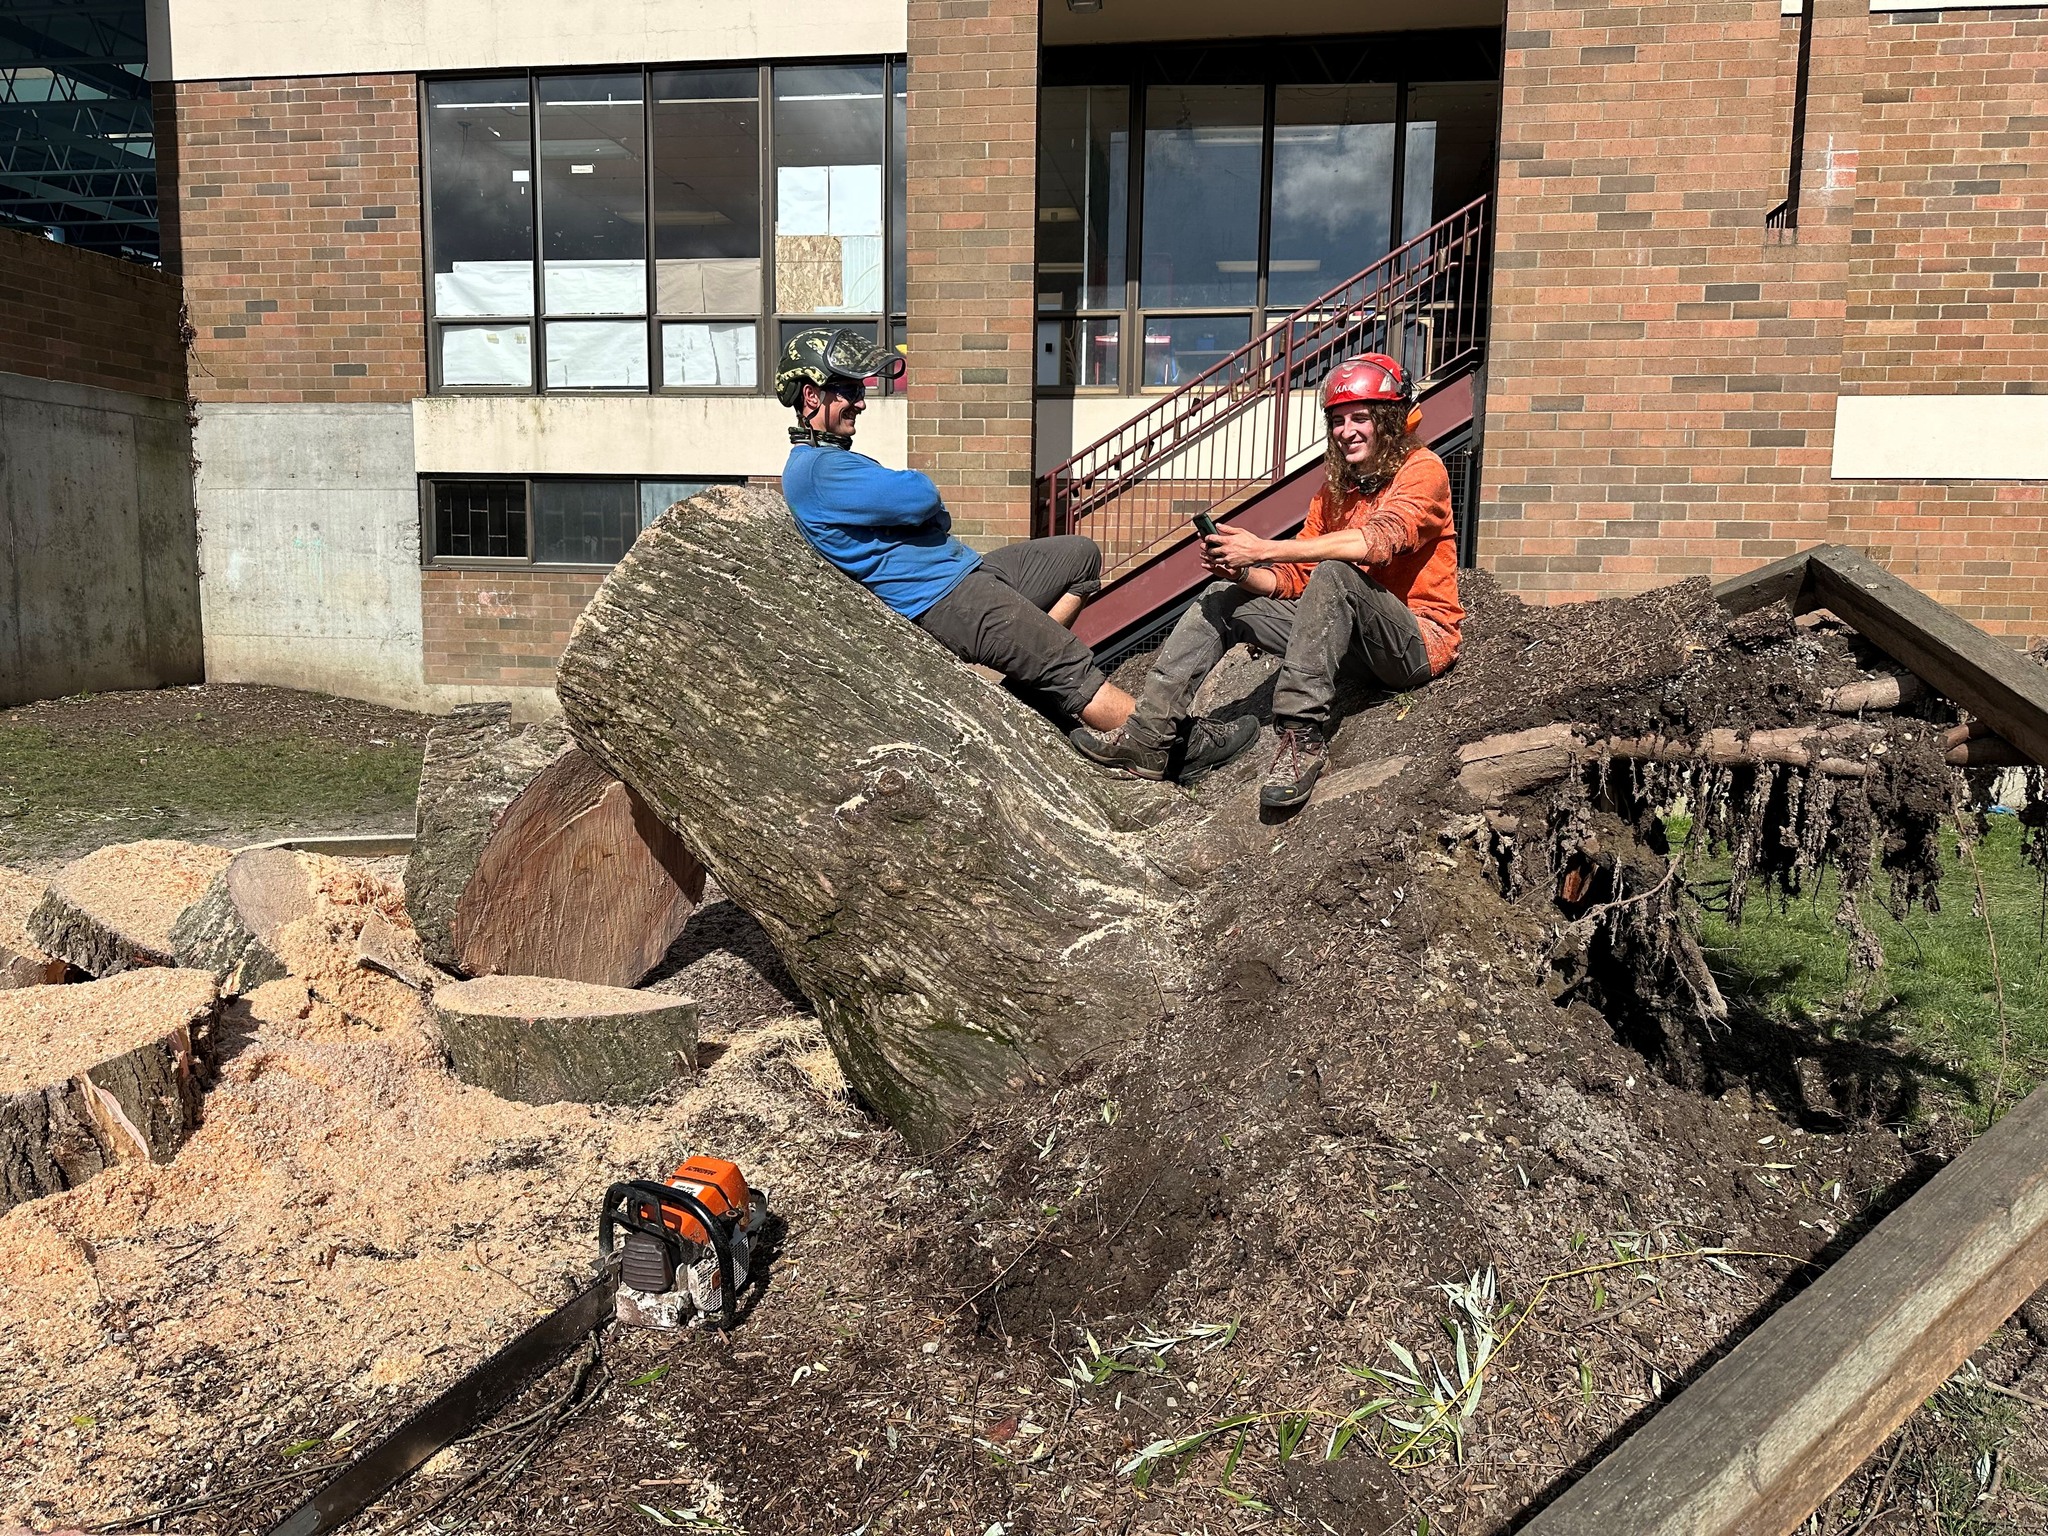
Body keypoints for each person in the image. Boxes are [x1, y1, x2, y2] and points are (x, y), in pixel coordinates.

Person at [775, 326, 1258, 778]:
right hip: (945, 599)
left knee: (1080, 556)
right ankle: (1169, 746)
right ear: (811, 395)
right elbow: (920, 496)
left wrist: (925, 512)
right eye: (849, 390)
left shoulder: (834, 460)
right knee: (1070, 663)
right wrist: (924, 509)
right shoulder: (815, 469)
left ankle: (1033, 675)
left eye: (861, 391)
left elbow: (921, 508)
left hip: (965, 571)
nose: (860, 401)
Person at [1073, 352, 1463, 811]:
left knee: (1338, 572)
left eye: (1361, 417)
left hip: (1415, 644)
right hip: (1349, 644)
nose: (1347, 431)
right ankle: (1148, 735)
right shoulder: (1335, 491)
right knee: (1222, 596)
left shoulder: (1424, 469)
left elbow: (1378, 542)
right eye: (1337, 421)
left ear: (1392, 419)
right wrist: (1243, 570)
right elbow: (1296, 578)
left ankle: (1300, 738)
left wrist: (1264, 547)